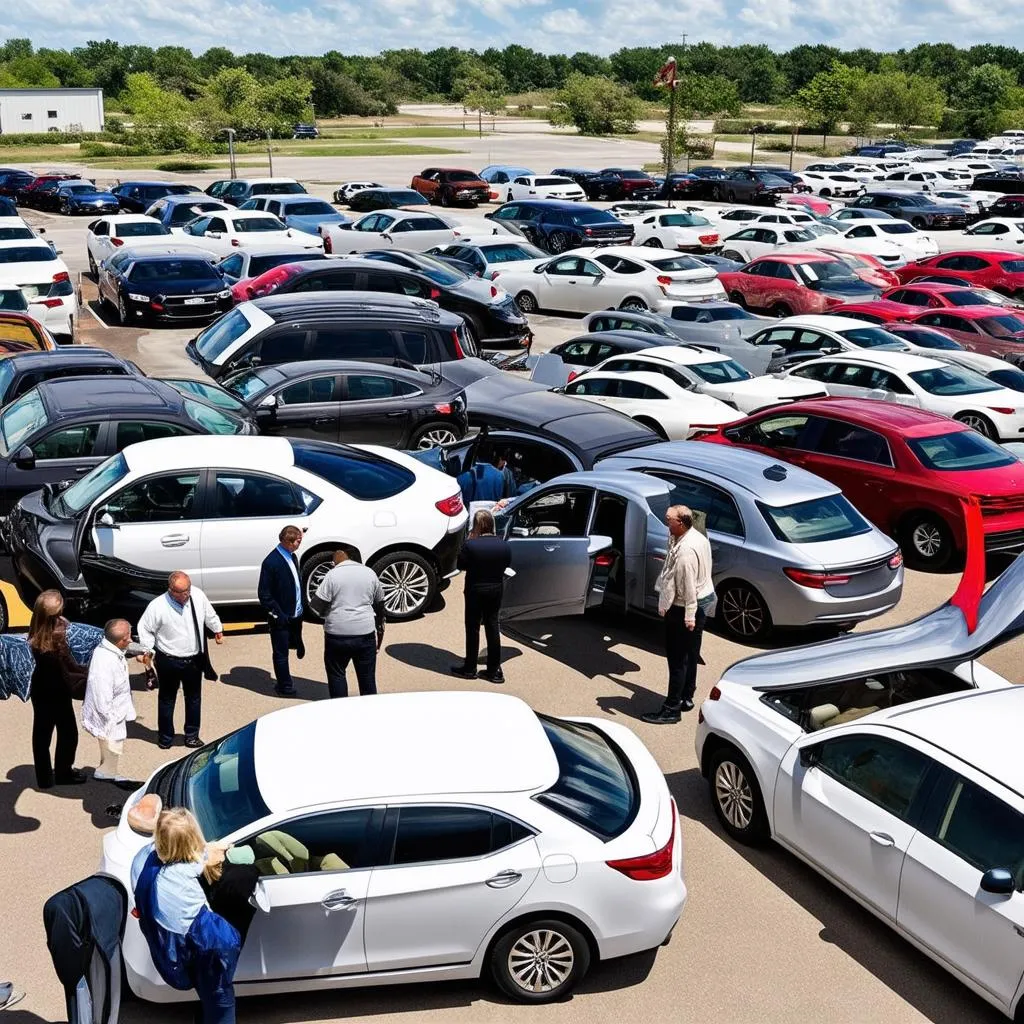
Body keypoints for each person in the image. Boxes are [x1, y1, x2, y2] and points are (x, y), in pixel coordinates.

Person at [131, 809, 240, 1024]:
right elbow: (222, 943)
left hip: (170, 946)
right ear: (191, 841)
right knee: (221, 1003)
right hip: (196, 948)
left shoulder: (143, 859)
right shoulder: (188, 872)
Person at [643, 505, 715, 724]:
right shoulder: (697, 536)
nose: (666, 523)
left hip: (684, 606)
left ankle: (671, 709)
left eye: (669, 520)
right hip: (705, 597)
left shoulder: (685, 553)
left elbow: (687, 588)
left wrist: (689, 617)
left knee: (677, 659)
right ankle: (686, 696)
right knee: (691, 653)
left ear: (681, 523)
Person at [138, 573, 223, 750]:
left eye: (188, 589)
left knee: (193, 698)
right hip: (168, 660)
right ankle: (165, 737)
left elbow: (209, 614)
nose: (186, 594)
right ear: (171, 591)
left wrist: (217, 629)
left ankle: (192, 736)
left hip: (193, 659)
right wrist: (147, 651)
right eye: (182, 592)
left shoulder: (197, 595)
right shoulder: (157, 606)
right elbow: (145, 629)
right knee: (167, 699)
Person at [28, 590, 88, 789]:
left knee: (41, 734)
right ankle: (63, 772)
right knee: (68, 733)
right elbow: (71, 664)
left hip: (40, 688)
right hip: (59, 688)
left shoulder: (36, 628)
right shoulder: (60, 634)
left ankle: (44, 778)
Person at [310, 550, 385, 698]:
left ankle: (340, 711)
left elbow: (316, 606)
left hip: (337, 634)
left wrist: (329, 617)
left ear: (336, 561)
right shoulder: (369, 573)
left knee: (336, 675)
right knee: (367, 677)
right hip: (365, 633)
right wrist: (379, 630)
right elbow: (380, 604)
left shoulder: (332, 575)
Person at [451, 510, 512, 684]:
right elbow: (507, 563)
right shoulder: (504, 545)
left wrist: (468, 543)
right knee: (493, 626)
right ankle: (493, 670)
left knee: (473, 628)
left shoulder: (471, 545)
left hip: (475, 590)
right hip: (495, 589)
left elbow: (461, 565)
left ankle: (470, 667)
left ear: (476, 525)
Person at [81, 619, 136, 787]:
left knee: (113, 741)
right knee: (112, 741)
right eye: (129, 636)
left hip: (116, 709)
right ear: (121, 641)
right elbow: (101, 696)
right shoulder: (105, 663)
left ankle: (107, 770)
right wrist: (110, 717)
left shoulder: (111, 647)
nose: (132, 639)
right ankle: (106, 772)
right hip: (109, 712)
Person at [257, 525, 305, 697]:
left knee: (294, 641)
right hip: (281, 617)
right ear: (288, 542)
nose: (301, 542)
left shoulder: (293, 557)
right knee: (280, 653)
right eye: (298, 540)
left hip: (295, 613)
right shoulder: (271, 562)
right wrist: (279, 615)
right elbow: (264, 594)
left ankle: (298, 645)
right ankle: (285, 686)